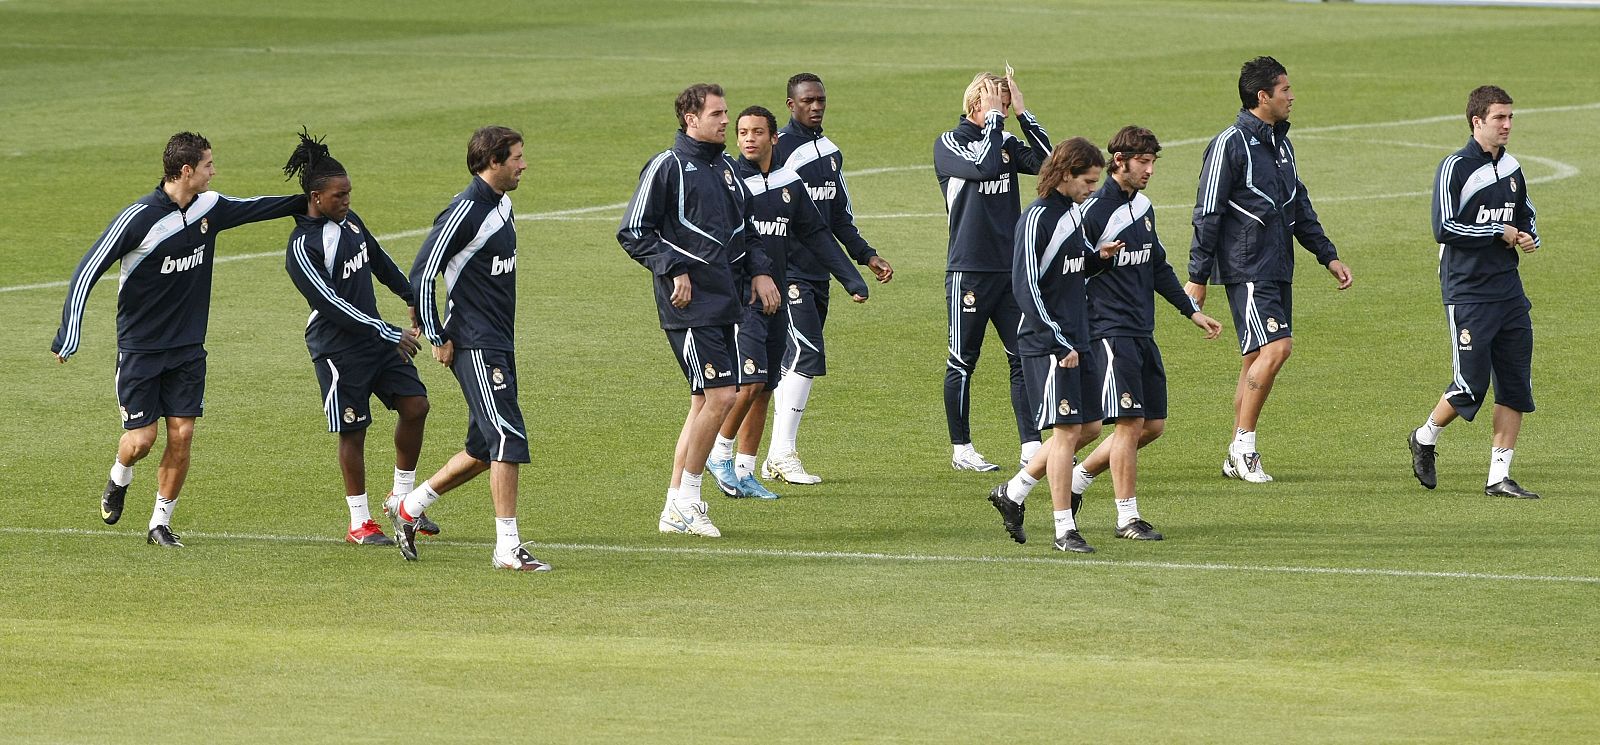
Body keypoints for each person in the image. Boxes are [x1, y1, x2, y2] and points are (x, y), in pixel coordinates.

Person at [50, 132, 305, 548]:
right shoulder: (138, 218)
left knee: (183, 436)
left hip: (187, 348)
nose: (214, 171)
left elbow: (256, 206)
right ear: (186, 171)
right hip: (141, 350)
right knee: (141, 442)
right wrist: (69, 331)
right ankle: (119, 476)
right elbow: (87, 269)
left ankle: (159, 524)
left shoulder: (210, 207)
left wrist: (308, 201)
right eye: (208, 164)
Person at [618, 83, 781, 537]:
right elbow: (634, 230)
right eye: (717, 114)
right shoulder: (666, 166)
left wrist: (761, 272)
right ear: (690, 118)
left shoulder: (728, 168)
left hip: (725, 299)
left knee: (701, 402)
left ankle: (675, 506)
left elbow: (745, 233)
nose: (726, 121)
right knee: (721, 397)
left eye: (726, 113)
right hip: (688, 305)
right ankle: (689, 497)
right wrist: (674, 268)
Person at [1184, 56, 1352, 483]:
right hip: (1247, 267)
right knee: (1278, 348)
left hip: (1277, 265)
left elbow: (1299, 204)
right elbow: (1208, 212)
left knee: (1256, 357)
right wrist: (1198, 277)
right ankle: (1245, 447)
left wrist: (1327, 255)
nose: (1292, 96)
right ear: (1263, 96)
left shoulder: (1280, 144)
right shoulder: (1230, 143)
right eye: (1285, 90)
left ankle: (1233, 455)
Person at [400, 126, 550, 571]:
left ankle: (409, 507)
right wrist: (436, 334)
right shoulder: (465, 211)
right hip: (475, 343)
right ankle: (507, 548)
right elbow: (422, 274)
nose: (524, 164)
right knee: (508, 436)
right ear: (493, 161)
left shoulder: (502, 205)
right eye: (517, 157)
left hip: (499, 341)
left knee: (485, 448)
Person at [706, 105, 870, 500]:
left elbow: (816, 233)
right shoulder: (728, 182)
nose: (748, 138)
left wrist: (851, 278)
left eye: (757, 132)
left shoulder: (787, 182)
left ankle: (745, 470)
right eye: (742, 131)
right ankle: (719, 453)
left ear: (773, 138)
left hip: (775, 297)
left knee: (766, 387)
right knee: (751, 382)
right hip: (740, 299)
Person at [1069, 126, 1223, 541]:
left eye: (1153, 162)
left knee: (1152, 426)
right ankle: (1126, 518)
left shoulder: (1143, 207)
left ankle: (1076, 481)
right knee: (1129, 423)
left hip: (1141, 329)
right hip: (1108, 329)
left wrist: (1191, 311)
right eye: (1143, 162)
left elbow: (1157, 266)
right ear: (1118, 161)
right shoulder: (1094, 210)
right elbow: (1068, 268)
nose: (1150, 170)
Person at [281, 130, 433, 546]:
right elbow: (331, 305)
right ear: (315, 197)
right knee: (354, 431)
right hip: (336, 349)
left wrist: (411, 295)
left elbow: (378, 260)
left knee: (416, 405)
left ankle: (402, 501)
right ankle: (359, 522)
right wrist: (387, 330)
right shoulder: (302, 248)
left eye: (348, 193)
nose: (346, 201)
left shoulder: (350, 223)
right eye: (338, 196)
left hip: (375, 340)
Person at [1408, 85, 1541, 499]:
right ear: (1476, 121)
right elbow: (1443, 228)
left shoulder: (1513, 167)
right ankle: (1425, 437)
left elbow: (1526, 212)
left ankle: (1498, 477)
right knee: (1469, 385)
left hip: (1508, 291)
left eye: (1510, 117)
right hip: (1467, 291)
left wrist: (1530, 235)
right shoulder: (1456, 167)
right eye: (1499, 118)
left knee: (1516, 383)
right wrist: (1496, 231)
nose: (1507, 125)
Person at [762, 72, 894, 485]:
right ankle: (782, 453)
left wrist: (866, 255)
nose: (815, 106)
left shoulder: (831, 153)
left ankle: (769, 457)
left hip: (820, 272)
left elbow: (837, 216)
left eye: (820, 100)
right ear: (791, 105)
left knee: (790, 362)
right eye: (807, 101)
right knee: (805, 355)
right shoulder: (780, 150)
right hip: (789, 273)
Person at [985, 137, 1114, 553]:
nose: (1093, 189)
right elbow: (1026, 288)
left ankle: (1014, 492)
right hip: (1048, 342)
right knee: (1066, 432)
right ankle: (1064, 530)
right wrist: (1058, 341)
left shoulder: (1073, 214)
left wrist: (1098, 258)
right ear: (1064, 175)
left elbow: (1069, 270)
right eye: (1088, 181)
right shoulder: (1037, 218)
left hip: (1079, 338)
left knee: (1090, 426)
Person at [935, 70, 1052, 472]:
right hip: (969, 270)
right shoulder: (950, 143)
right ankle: (962, 448)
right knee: (962, 360)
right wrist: (996, 123)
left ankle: (1031, 445)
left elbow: (1049, 167)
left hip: (1010, 270)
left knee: (1021, 356)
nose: (1000, 110)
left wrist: (1022, 113)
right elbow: (983, 168)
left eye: (1004, 103)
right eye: (996, 103)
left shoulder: (1004, 138)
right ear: (977, 105)